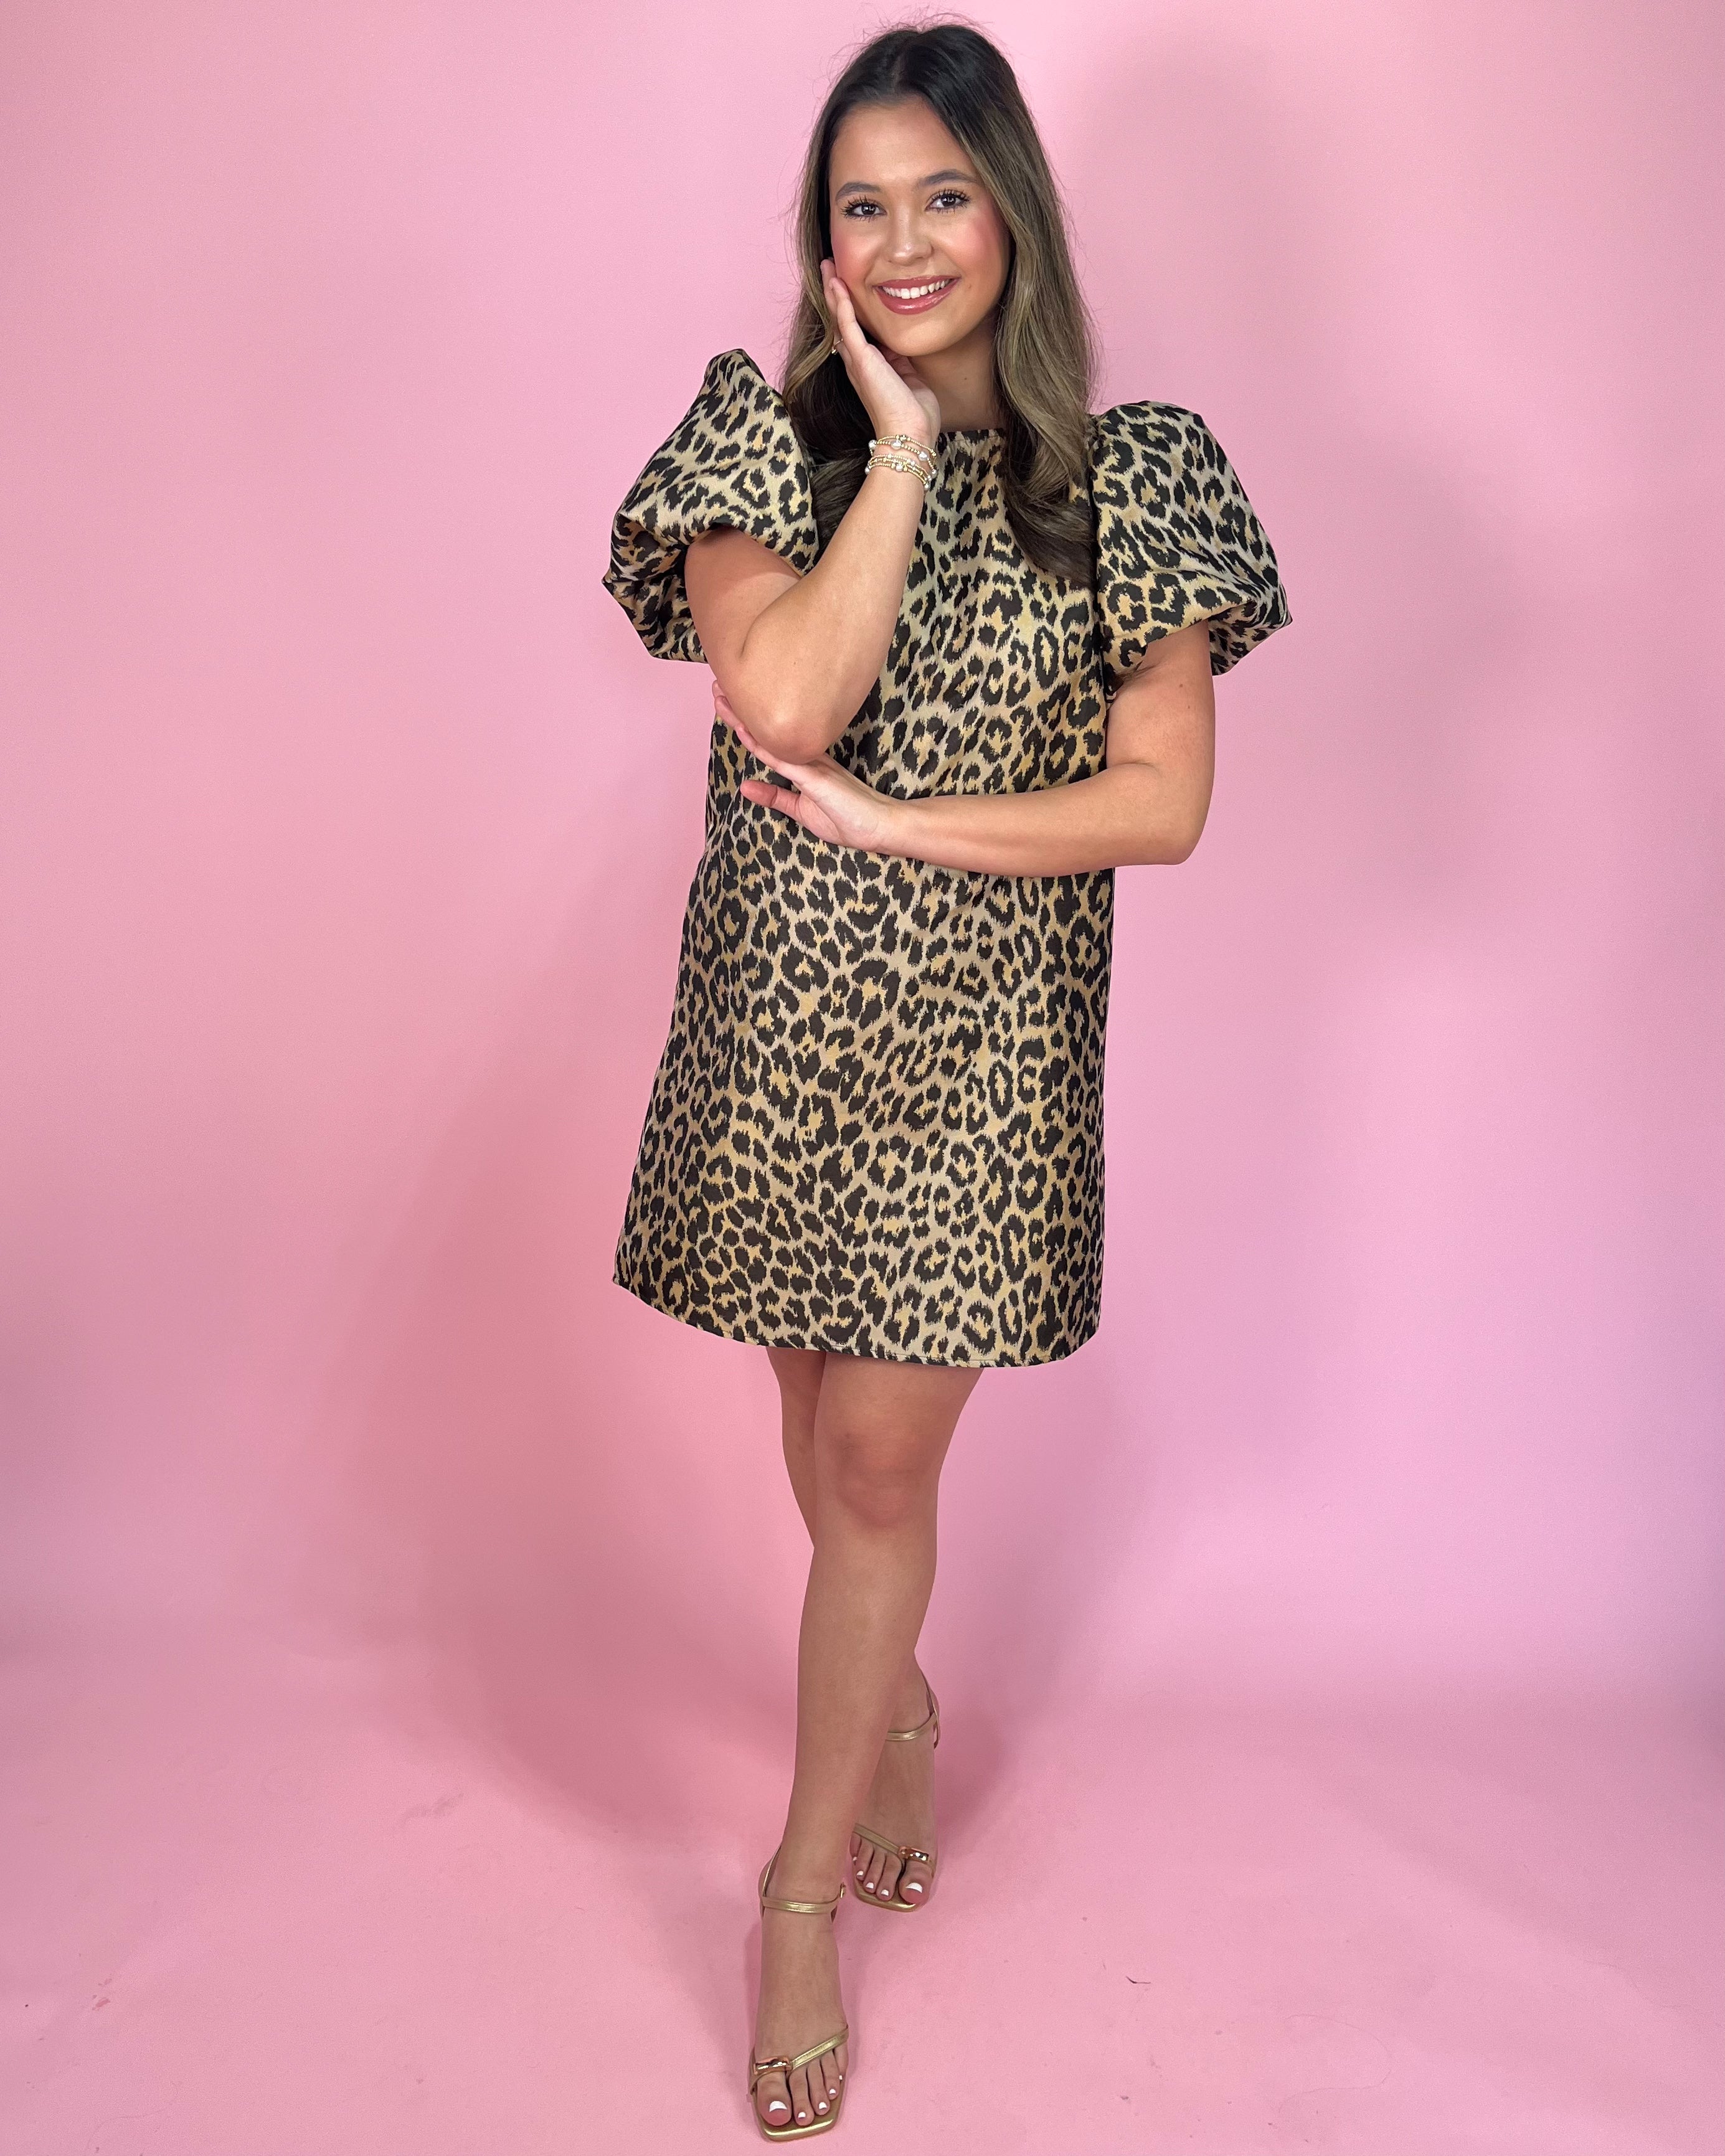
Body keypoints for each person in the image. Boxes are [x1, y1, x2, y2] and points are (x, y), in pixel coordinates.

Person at [601, 20, 1290, 2139]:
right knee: (824, 1443)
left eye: (942, 196)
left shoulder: (1137, 475)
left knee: (880, 1472)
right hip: (777, 1031)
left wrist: (908, 832)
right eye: (860, 206)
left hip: (986, 1063)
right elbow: (789, 695)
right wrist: (894, 447)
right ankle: (890, 1707)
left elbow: (1160, 802)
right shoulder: (752, 447)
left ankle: (795, 1895)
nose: (902, 243)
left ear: (1014, 215)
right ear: (819, 244)